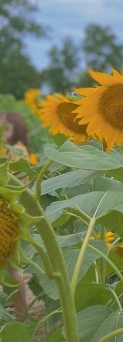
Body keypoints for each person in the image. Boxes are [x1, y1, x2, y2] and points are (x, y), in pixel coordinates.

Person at [0, 111, 31, 320]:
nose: (2, 132)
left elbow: (17, 184)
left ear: (15, 128)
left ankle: (21, 316)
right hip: (7, 212)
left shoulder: (17, 151)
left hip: (11, 215)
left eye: (5, 127)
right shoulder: (8, 150)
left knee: (10, 269)